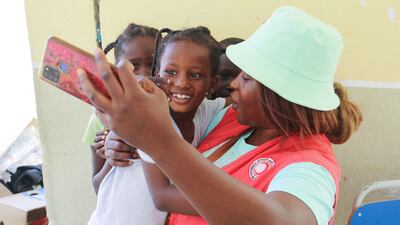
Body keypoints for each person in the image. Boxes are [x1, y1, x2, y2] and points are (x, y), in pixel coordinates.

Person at [79, 6, 362, 225]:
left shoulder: (310, 167)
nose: (233, 84)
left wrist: (156, 142)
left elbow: (285, 220)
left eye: (247, 77)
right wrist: (120, 135)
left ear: (278, 95)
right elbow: (172, 117)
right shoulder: (230, 120)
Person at [91, 26, 230, 225]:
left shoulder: (206, 113)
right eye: (171, 72)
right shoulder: (146, 119)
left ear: (212, 84)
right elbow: (160, 196)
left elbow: (243, 99)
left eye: (196, 75)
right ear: (157, 73)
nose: (181, 83)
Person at [82, 23, 159, 194]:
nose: (144, 73)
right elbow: (97, 186)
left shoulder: (169, 111)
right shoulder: (100, 117)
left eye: (153, 64)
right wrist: (112, 156)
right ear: (116, 69)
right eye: (133, 66)